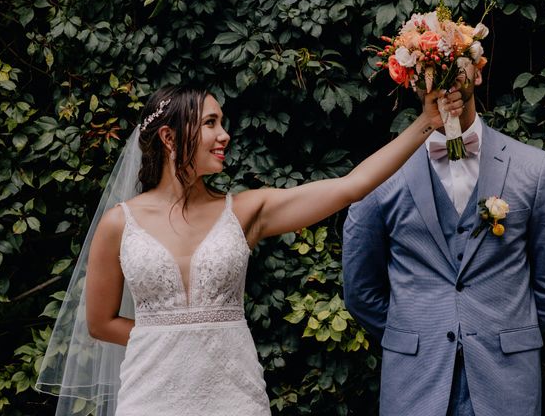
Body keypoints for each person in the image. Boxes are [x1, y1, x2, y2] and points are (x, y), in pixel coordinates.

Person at [35, 85, 463, 416]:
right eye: (210, 123)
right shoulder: (119, 223)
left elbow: (350, 186)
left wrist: (425, 121)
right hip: (150, 396)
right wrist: (167, 336)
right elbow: (100, 322)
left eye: (222, 123)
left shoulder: (245, 211)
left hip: (234, 394)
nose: (224, 135)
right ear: (169, 136)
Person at [342, 60, 545, 416]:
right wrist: (418, 332)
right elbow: (360, 290)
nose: (446, 76)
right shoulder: (380, 176)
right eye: (431, 67)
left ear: (479, 72)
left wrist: (506, 330)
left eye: (456, 63)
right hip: (415, 383)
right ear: (413, 82)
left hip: (506, 384)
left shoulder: (534, 168)